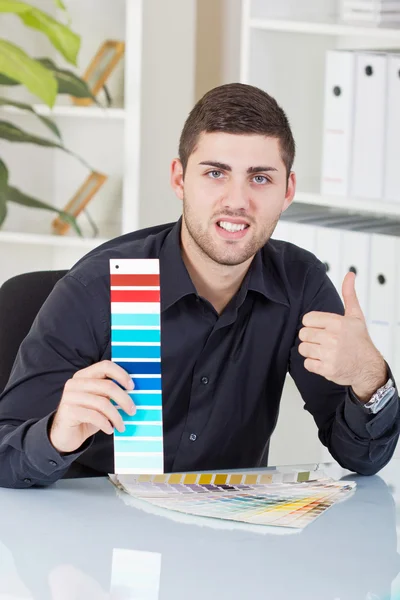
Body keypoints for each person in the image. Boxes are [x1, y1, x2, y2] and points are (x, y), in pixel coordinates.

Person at [0, 83, 398, 489]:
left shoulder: (300, 284)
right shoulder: (96, 287)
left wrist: (370, 377)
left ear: (288, 191)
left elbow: (361, 459)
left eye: (260, 178)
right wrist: (56, 434)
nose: (237, 200)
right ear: (179, 179)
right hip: (93, 530)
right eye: (215, 173)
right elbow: (3, 456)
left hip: (225, 530)